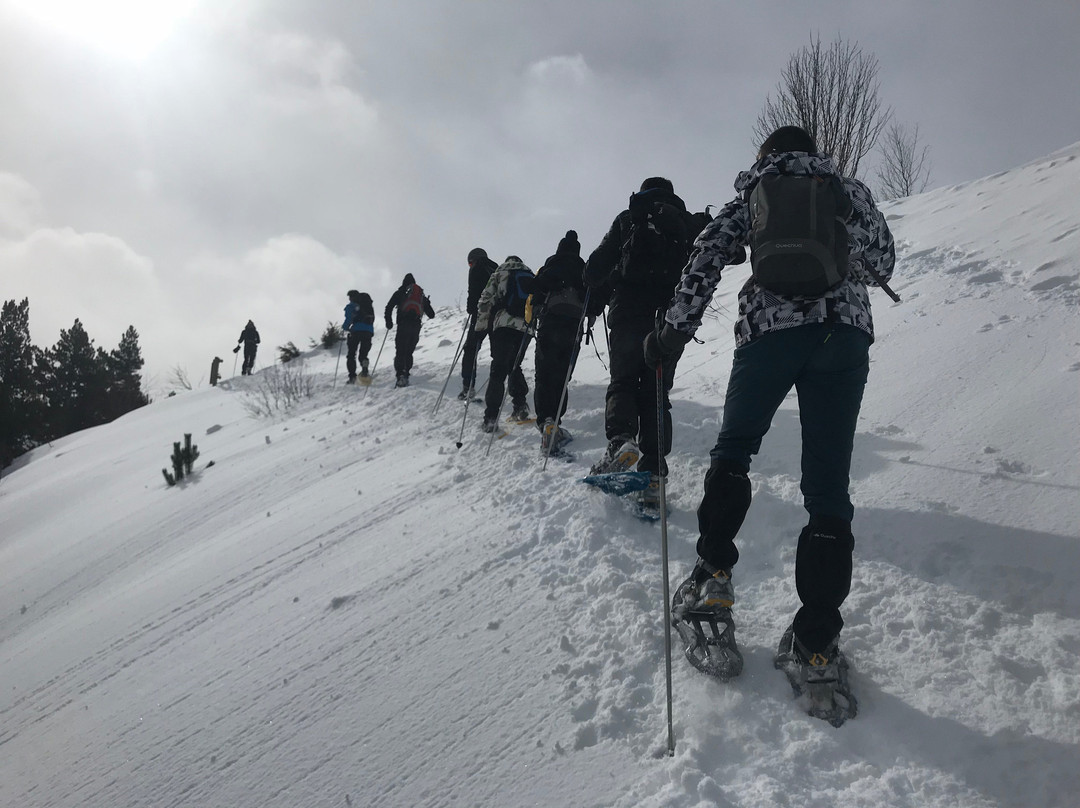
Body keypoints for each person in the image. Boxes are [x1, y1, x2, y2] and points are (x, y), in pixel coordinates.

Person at [645, 125, 895, 720]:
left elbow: (706, 256)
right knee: (828, 490)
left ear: (767, 154)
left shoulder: (756, 188)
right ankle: (815, 641)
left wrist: (674, 332)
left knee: (734, 451)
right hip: (845, 336)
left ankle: (712, 581)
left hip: (770, 332)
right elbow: (883, 257)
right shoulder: (843, 187)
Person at [584, 177, 700, 493]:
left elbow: (595, 268)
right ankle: (654, 473)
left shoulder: (629, 217)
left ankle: (621, 441)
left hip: (628, 312)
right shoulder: (685, 223)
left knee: (623, 381)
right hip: (669, 319)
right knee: (657, 391)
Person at [529, 231, 588, 453]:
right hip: (573, 328)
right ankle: (556, 423)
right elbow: (592, 301)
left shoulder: (551, 265)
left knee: (544, 373)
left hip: (549, 324)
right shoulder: (583, 270)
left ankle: (546, 421)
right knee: (562, 376)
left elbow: (535, 290)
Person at [474, 255, 534, 431]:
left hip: (504, 325)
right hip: (525, 328)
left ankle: (491, 418)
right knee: (514, 366)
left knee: (499, 368)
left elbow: (485, 300)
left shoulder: (500, 272)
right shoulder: (530, 274)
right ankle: (520, 406)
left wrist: (480, 328)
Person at [383, 273, 435, 387]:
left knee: (400, 350)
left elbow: (389, 307)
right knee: (409, 352)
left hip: (403, 325)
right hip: (415, 327)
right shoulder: (420, 296)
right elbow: (431, 315)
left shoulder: (400, 293)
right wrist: (427, 303)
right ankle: (406, 373)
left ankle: (400, 375)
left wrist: (388, 321)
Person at [460, 247, 498, 400]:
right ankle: (498, 395)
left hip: (481, 315)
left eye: (470, 263)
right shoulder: (496, 269)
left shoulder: (477, 268)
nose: (470, 266)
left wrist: (471, 309)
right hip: (497, 317)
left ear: (474, 259)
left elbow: (473, 291)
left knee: (470, 349)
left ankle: (468, 388)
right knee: (498, 355)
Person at [343, 290, 375, 383]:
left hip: (356, 331)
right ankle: (364, 366)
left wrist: (345, 327)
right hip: (368, 331)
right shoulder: (368, 305)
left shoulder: (352, 306)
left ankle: (352, 377)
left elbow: (348, 319)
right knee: (363, 353)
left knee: (351, 355)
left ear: (352, 297)